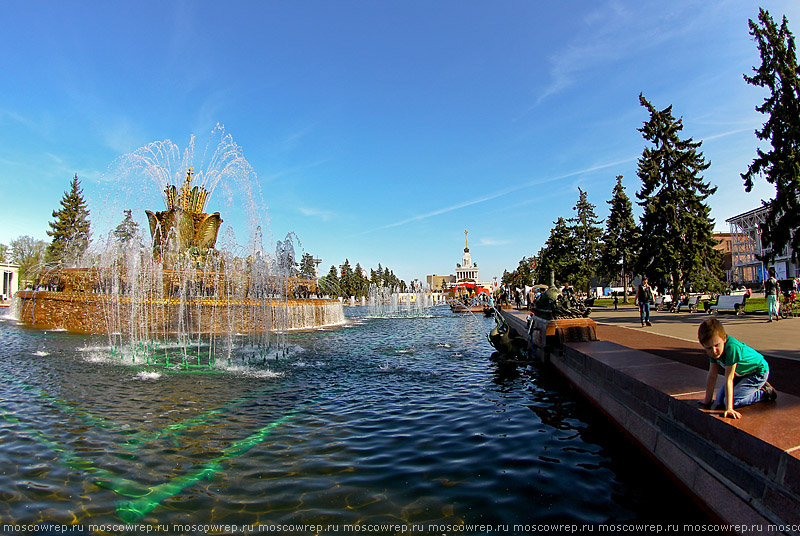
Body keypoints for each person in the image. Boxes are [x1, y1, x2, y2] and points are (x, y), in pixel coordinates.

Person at [697, 318, 777, 419]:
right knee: (719, 399)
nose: (714, 351)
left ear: (724, 338)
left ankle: (764, 393)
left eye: (717, 345)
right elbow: (712, 374)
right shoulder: (713, 350)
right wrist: (707, 400)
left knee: (730, 401)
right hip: (741, 374)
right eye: (709, 348)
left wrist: (729, 408)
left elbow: (729, 379)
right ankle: (747, 390)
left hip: (757, 373)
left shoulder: (732, 348)